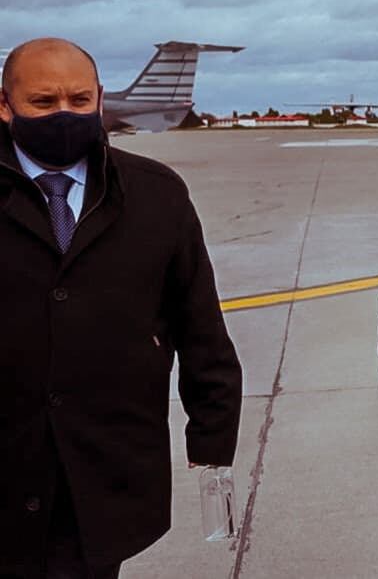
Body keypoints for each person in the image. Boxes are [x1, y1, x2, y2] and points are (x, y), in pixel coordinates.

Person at [0, 38, 243, 579]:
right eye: (42, 102)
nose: (63, 114)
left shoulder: (157, 194)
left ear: (100, 99)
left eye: (79, 100)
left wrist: (213, 437)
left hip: (102, 466)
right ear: (4, 104)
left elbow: (199, 324)